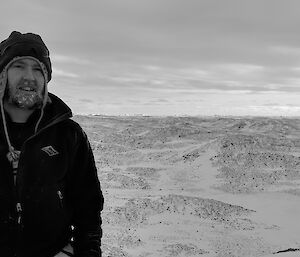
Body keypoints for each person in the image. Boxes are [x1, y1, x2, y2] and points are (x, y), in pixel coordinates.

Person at [0, 31, 104, 257]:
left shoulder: (68, 135)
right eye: (19, 66)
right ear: (2, 75)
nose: (30, 76)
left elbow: (89, 209)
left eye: (38, 69)